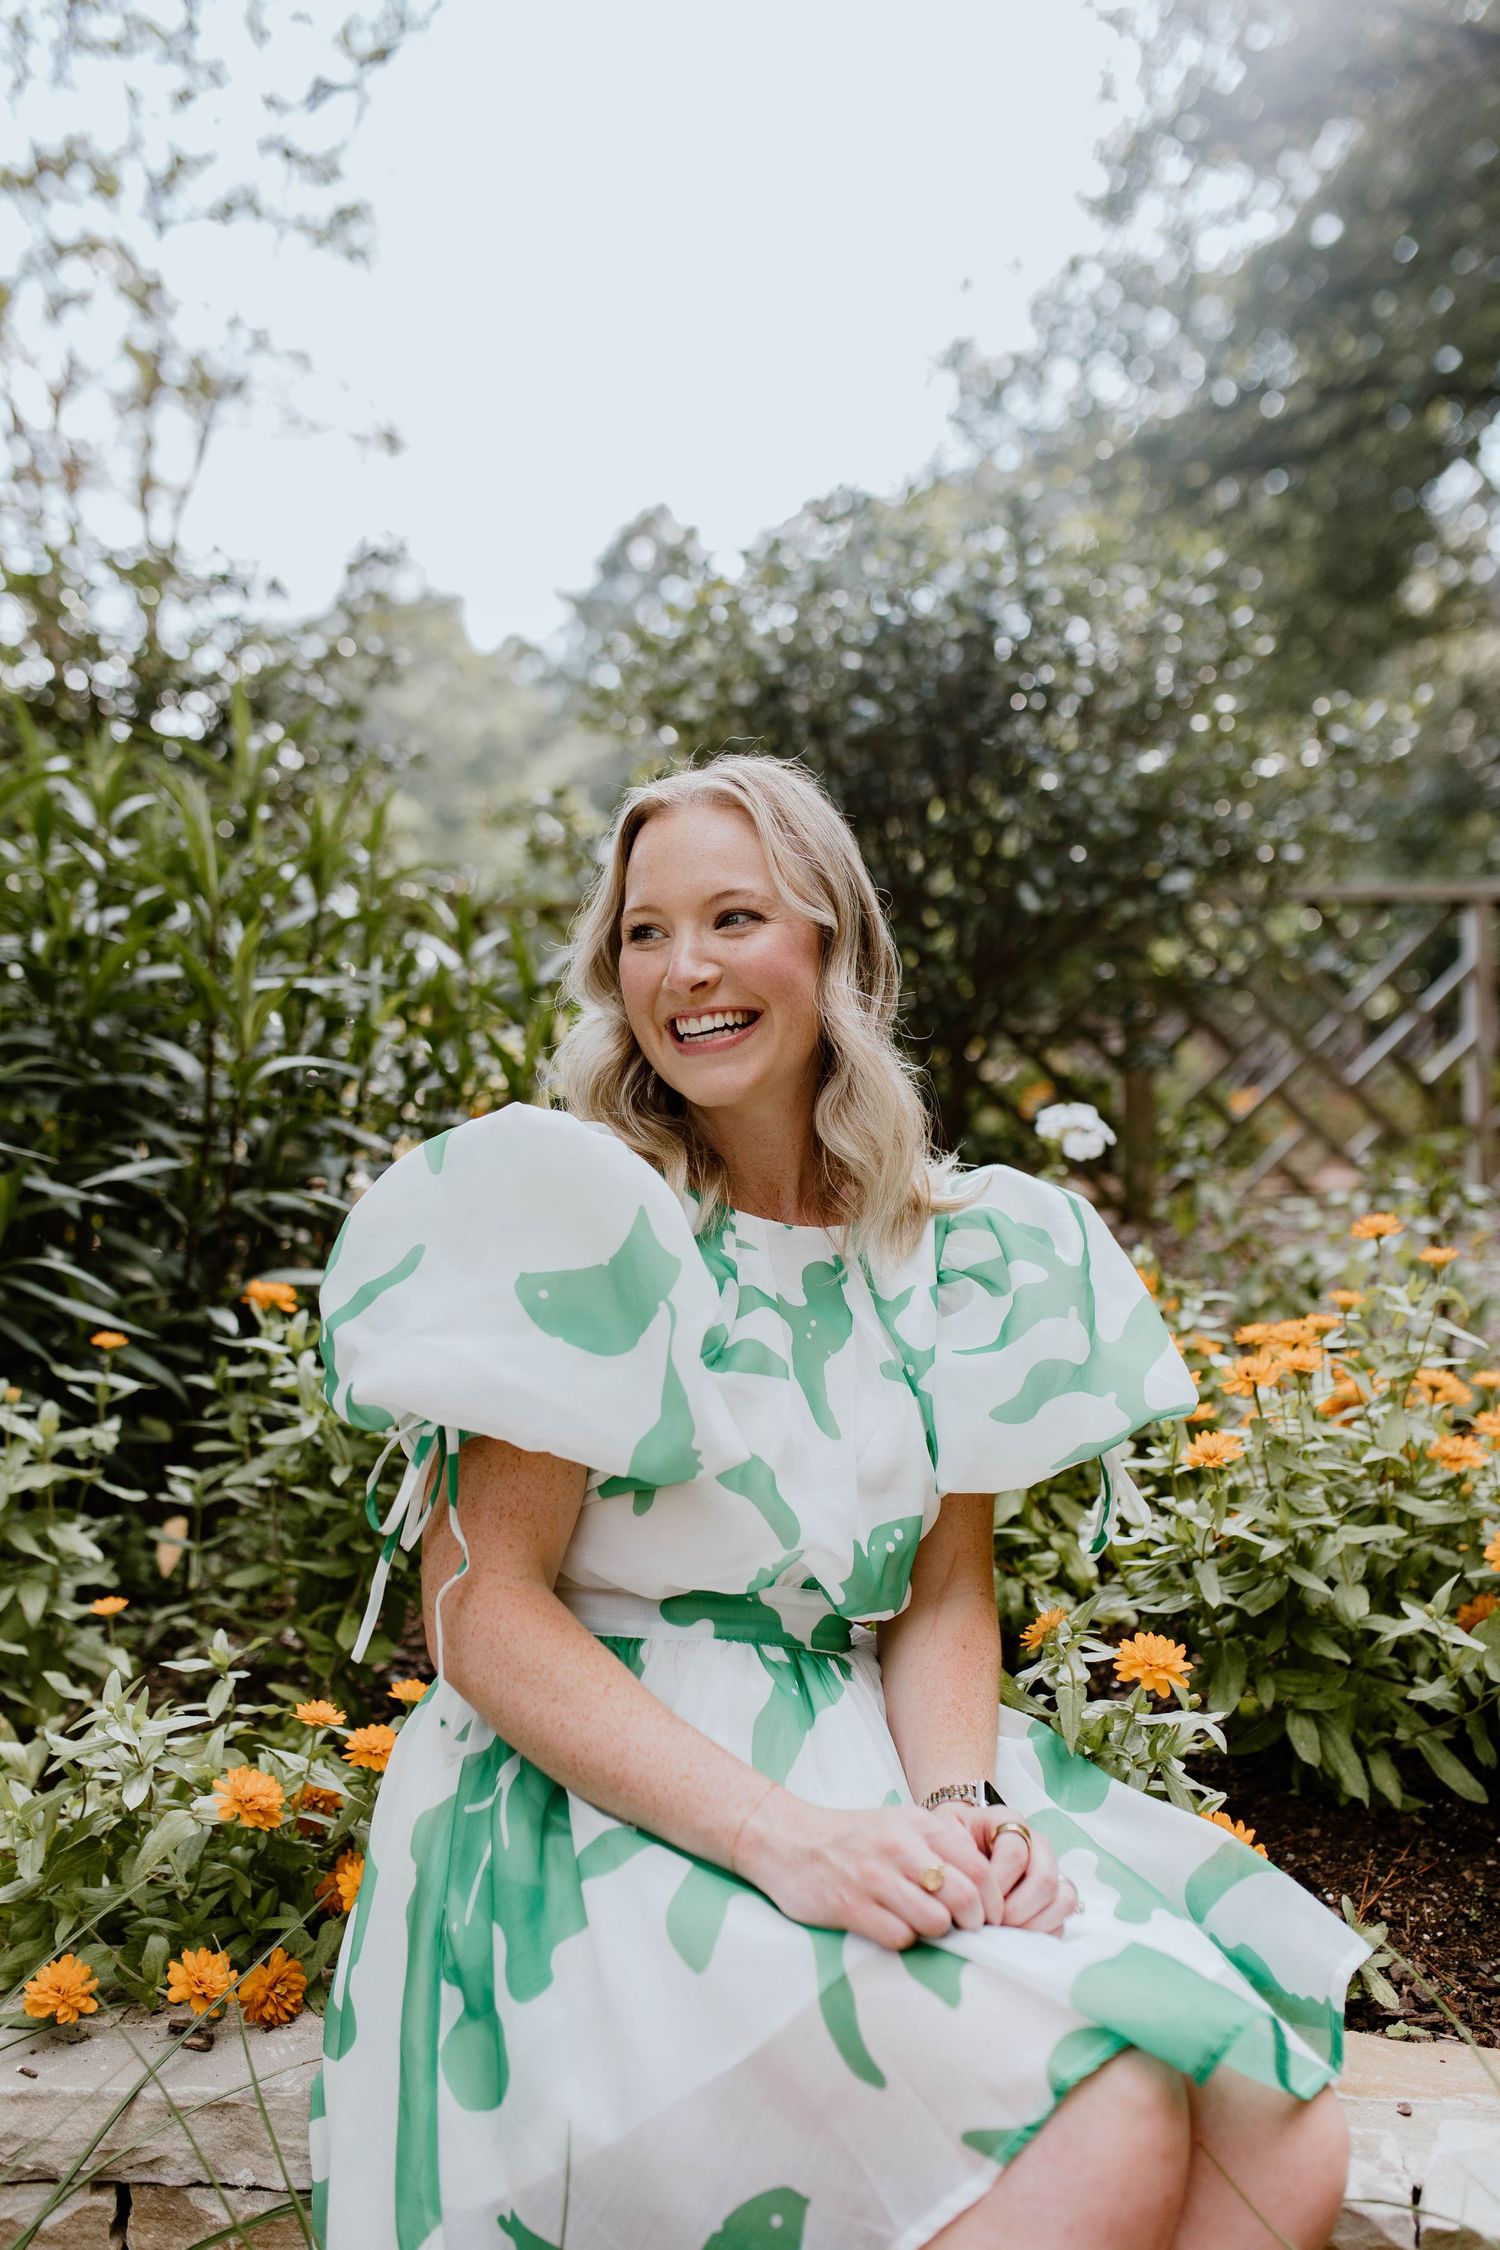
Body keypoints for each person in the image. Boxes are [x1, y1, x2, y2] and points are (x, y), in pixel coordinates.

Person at [311, 752, 1363, 2250]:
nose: (686, 969)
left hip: (871, 1754)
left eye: (733, 917)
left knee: (1278, 2125)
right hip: (606, 1806)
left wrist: (962, 1808)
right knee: (1115, 2115)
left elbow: (943, 1591)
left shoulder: (943, 1247)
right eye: (645, 931)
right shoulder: (588, 1221)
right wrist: (784, 1837)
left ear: (832, 945)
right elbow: (481, 1607)